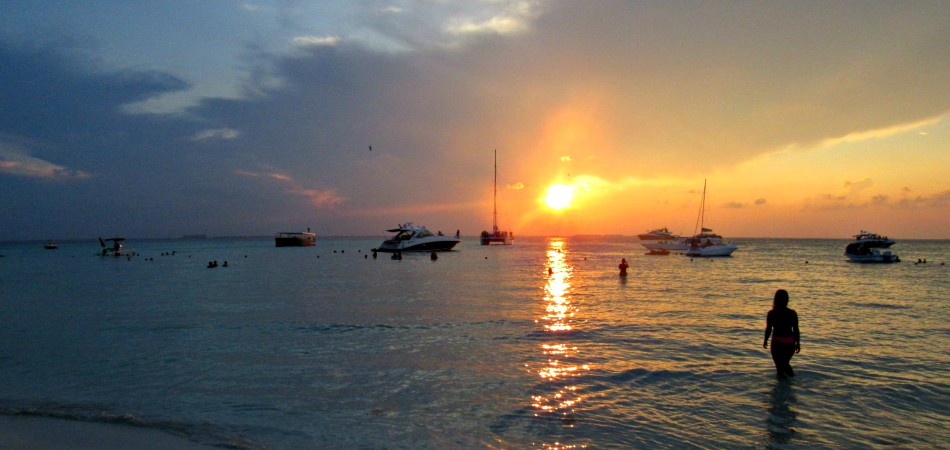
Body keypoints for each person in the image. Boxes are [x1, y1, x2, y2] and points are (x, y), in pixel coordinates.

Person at [763, 289, 800, 378]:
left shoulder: (772, 313)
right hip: (789, 343)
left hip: (777, 343)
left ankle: (781, 389)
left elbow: (768, 329)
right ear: (787, 300)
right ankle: (791, 383)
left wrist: (765, 340)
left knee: (780, 368)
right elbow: (796, 330)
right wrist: (798, 343)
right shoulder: (792, 313)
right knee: (785, 364)